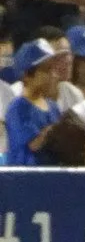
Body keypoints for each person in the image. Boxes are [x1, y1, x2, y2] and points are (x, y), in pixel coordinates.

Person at [4, 37, 72, 166]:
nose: (53, 74)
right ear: (27, 76)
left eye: (53, 69)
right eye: (46, 70)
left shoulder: (52, 106)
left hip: (50, 177)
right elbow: (34, 144)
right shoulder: (18, 107)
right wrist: (60, 128)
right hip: (24, 180)